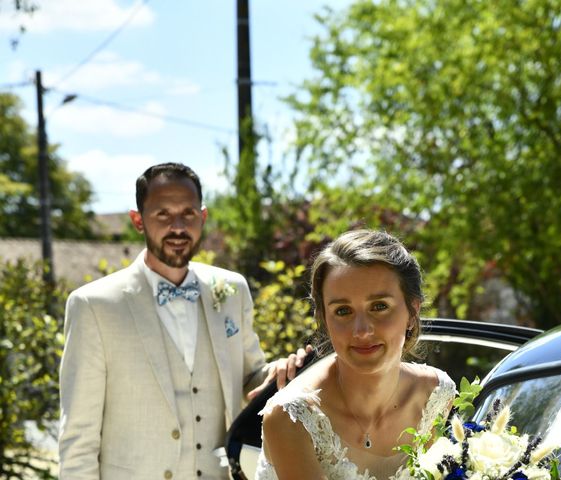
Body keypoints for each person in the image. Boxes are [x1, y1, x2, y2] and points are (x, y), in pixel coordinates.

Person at [58, 162, 307, 480]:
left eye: (188, 214)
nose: (178, 226)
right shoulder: (94, 305)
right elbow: (78, 436)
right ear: (138, 220)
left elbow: (248, 379)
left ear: (202, 217)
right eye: (162, 214)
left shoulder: (232, 290)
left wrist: (281, 371)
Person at [255, 229, 456, 480]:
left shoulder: (435, 394)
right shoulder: (292, 417)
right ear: (324, 318)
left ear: (412, 311)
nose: (361, 331)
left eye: (379, 306)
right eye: (343, 311)